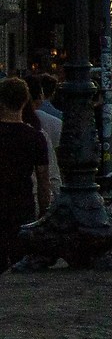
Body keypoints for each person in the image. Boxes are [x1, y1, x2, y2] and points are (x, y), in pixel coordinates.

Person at [0, 77, 52, 268]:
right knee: (20, 260)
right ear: (25, 102)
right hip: (22, 206)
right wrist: (44, 211)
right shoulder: (35, 137)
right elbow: (43, 180)